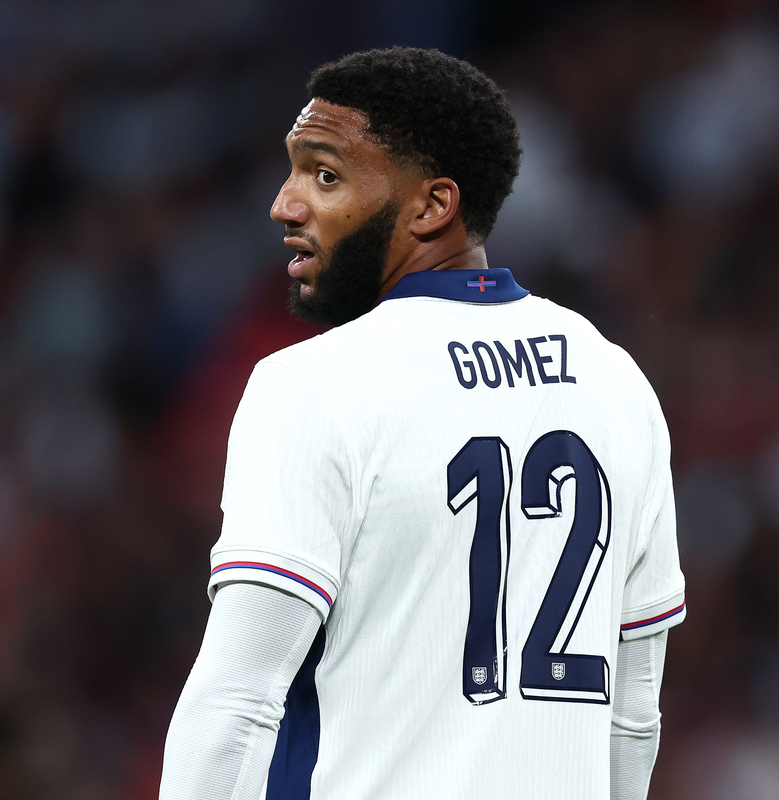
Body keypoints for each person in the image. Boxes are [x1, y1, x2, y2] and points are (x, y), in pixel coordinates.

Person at [158, 47, 685, 800]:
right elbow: (632, 720)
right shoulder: (617, 382)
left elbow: (238, 700)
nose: (285, 203)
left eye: (325, 174)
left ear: (432, 207)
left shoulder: (313, 384)